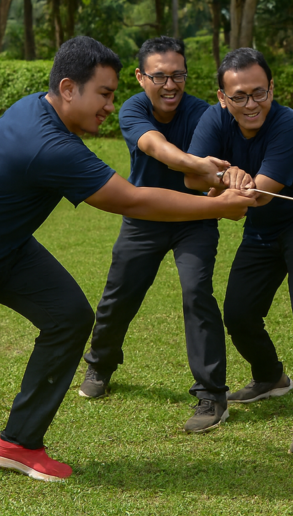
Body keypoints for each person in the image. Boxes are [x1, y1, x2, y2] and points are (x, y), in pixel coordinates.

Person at [0, 37, 251, 481]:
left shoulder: (38, 109)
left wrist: (201, 170)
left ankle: (18, 443)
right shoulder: (50, 146)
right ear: (68, 88)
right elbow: (134, 201)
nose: (110, 104)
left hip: (7, 249)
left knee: (68, 317)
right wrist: (219, 206)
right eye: (104, 93)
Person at [185, 47, 293, 455]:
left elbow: (259, 194)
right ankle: (271, 376)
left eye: (260, 93)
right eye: (238, 96)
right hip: (262, 230)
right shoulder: (213, 119)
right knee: (238, 312)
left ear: (272, 89)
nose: (251, 104)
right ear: (222, 97)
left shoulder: (288, 124)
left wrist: (225, 180)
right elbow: (191, 178)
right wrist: (225, 174)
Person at [79, 36, 233, 434]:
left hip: (194, 220)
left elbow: (217, 177)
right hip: (144, 218)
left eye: (178, 75)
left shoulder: (202, 113)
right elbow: (156, 147)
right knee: (120, 293)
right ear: (140, 76)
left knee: (197, 292)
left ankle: (211, 395)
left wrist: (226, 182)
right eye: (160, 76)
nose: (170, 85)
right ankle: (100, 365)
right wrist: (200, 164)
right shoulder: (132, 108)